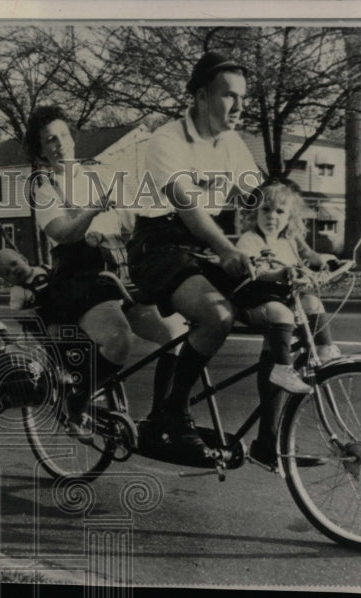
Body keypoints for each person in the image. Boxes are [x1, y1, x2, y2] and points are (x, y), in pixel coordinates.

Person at [126, 51, 263, 462]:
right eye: (229, 96)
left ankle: (272, 437)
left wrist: (290, 246)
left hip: (203, 247)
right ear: (202, 97)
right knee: (216, 315)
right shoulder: (166, 139)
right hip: (159, 247)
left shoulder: (232, 142)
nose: (239, 107)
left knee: (277, 310)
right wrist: (228, 250)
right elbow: (188, 208)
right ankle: (172, 414)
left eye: (243, 97)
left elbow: (257, 199)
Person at [24, 105, 185, 439]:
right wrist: (91, 213)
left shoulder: (100, 176)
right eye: (50, 140)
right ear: (41, 149)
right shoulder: (45, 189)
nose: (60, 144)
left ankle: (159, 420)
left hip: (122, 271)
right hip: (82, 278)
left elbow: (131, 223)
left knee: (176, 334)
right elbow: (63, 233)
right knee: (118, 341)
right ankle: (76, 407)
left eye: (64, 135)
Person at [234, 179, 342, 466]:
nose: (272, 217)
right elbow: (255, 272)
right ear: (253, 214)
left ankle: (326, 350)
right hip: (256, 299)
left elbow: (309, 257)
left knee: (313, 303)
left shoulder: (288, 240)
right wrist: (280, 273)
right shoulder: (250, 240)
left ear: (289, 218)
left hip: (282, 297)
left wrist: (326, 261)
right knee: (282, 316)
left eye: (280, 212)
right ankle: (282, 370)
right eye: (266, 210)